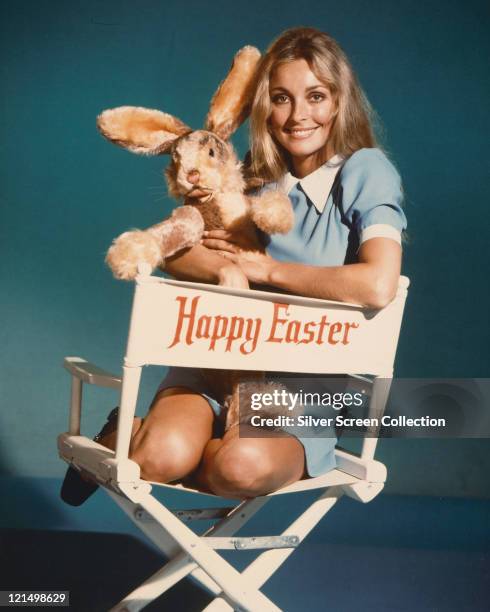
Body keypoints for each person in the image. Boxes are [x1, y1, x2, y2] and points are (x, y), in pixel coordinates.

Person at [61, 26, 406, 504]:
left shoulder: (365, 169)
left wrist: (266, 271)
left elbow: (379, 284)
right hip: (215, 360)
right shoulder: (252, 171)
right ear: (266, 107)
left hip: (297, 386)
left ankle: (173, 442)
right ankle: (132, 432)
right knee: (158, 459)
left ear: (339, 101)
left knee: (238, 468)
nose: (298, 115)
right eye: (282, 98)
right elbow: (179, 249)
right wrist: (227, 273)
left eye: (316, 96)